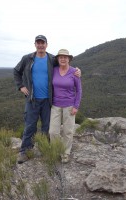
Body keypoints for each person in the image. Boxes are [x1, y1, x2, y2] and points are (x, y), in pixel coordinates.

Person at [13, 35, 81, 164]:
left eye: (42, 43)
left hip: (48, 101)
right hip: (32, 99)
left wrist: (77, 71)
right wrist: (21, 86)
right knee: (30, 126)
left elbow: (64, 65)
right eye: (38, 43)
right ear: (35, 45)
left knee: (47, 128)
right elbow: (16, 72)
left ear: (46, 45)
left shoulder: (51, 59)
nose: (40, 45)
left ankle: (45, 149)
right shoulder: (28, 59)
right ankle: (25, 151)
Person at [49, 49, 82, 163]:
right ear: (58, 59)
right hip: (55, 105)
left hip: (69, 105)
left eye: (65, 57)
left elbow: (79, 90)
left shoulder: (74, 72)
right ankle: (56, 149)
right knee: (53, 131)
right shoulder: (53, 70)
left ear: (69, 59)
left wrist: (76, 106)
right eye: (60, 57)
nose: (63, 59)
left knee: (68, 131)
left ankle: (65, 153)